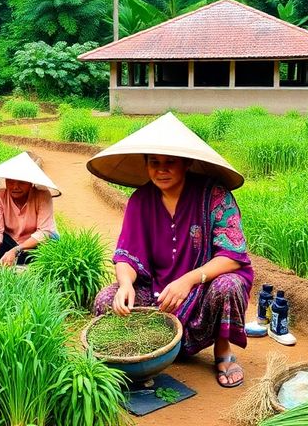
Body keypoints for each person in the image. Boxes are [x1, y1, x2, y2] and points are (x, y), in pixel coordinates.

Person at [87, 113, 254, 388]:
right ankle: (135, 353)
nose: (161, 170)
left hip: (202, 290)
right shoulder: (140, 200)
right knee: (107, 298)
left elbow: (233, 254)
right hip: (158, 293)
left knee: (229, 285)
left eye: (170, 163)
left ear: (187, 163)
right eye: (154, 162)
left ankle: (222, 351)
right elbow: (125, 253)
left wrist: (188, 280)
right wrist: (125, 284)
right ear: (146, 165)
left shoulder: (215, 195)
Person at [0, 152, 60, 269]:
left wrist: (17, 250)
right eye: (11, 181)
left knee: (51, 243)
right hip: (11, 241)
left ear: (31, 183)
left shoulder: (42, 195)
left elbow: (45, 232)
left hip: (34, 245)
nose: (15, 187)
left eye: (22, 182)